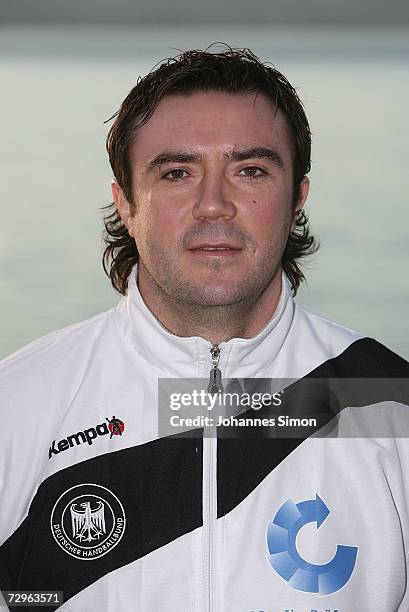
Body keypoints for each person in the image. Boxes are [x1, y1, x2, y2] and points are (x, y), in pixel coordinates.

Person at [0, 46, 408, 612]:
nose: (213, 205)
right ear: (125, 203)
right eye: (176, 173)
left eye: (250, 170)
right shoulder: (16, 404)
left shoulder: (389, 402)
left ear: (297, 200)